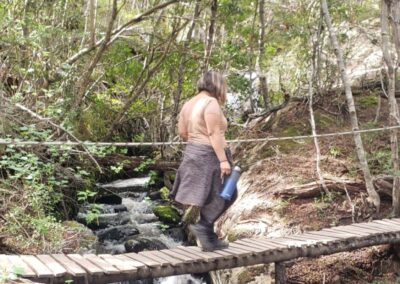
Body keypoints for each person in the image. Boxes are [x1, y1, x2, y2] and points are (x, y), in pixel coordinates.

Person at [170, 71, 237, 252]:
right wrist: (223, 160)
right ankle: (204, 227)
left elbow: (183, 132)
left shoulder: (189, 104)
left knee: (211, 194)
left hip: (193, 152)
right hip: (211, 155)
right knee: (228, 193)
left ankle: (208, 238)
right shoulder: (210, 102)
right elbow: (213, 133)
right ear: (217, 85)